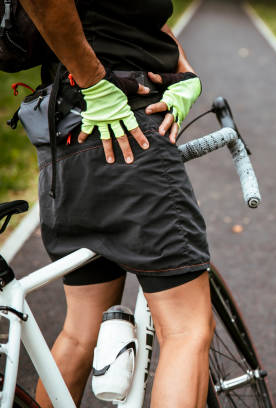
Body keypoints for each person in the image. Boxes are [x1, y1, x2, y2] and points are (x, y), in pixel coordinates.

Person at [18, 0, 214, 407]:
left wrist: (186, 72)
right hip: (126, 129)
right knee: (185, 330)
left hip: (66, 141)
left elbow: (130, 17)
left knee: (81, 331)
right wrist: (94, 82)